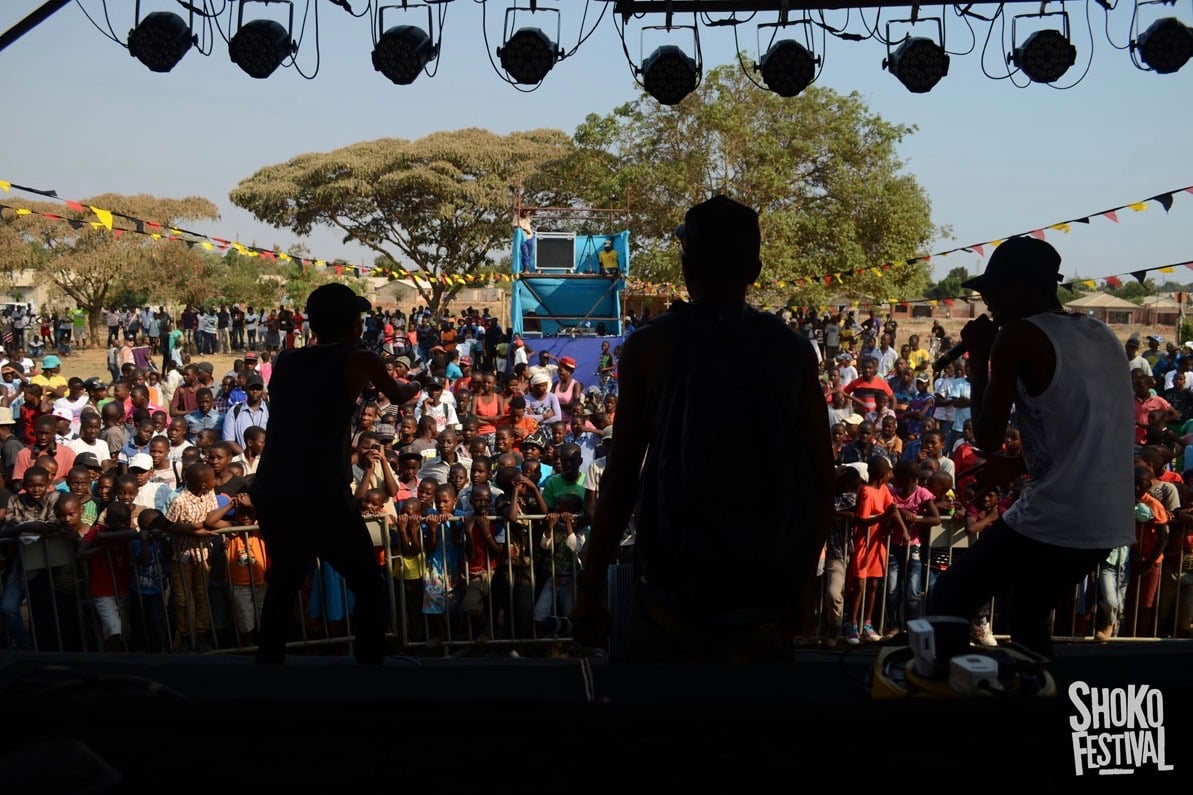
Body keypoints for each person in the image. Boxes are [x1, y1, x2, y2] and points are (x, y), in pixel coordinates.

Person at [571, 196, 834, 662]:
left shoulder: (651, 347)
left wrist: (591, 588)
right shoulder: (790, 350)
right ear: (754, 271)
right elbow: (820, 478)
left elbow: (622, 476)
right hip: (765, 587)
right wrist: (803, 584)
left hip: (675, 588)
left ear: (686, 265)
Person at [927, 237, 1135, 658]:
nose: (988, 303)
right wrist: (1018, 464)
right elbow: (1088, 435)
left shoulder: (1019, 335)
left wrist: (982, 353)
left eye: (992, 292)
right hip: (1109, 518)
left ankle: (939, 694)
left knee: (950, 597)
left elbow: (984, 436)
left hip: (1060, 510)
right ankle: (1034, 698)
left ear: (1020, 288)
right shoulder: (1101, 333)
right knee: (1026, 609)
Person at [249, 283, 421, 665]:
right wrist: (419, 383)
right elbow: (398, 394)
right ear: (350, 324)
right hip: (321, 493)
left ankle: (266, 671)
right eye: (358, 318)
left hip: (276, 489)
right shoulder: (359, 358)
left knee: (284, 583)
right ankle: (369, 668)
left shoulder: (287, 360)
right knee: (368, 584)